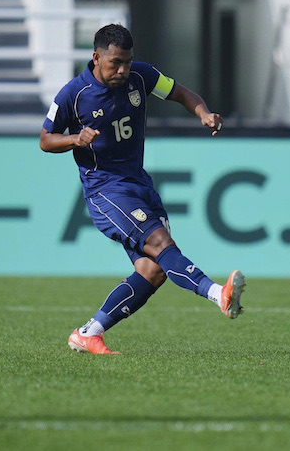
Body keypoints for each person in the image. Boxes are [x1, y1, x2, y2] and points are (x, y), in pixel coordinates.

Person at [39, 24, 245, 355]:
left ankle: (88, 333)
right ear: (96, 57)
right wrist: (75, 138)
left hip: (138, 182)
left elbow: (180, 93)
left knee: (152, 270)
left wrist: (204, 113)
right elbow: (45, 140)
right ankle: (218, 294)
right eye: (115, 63)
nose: (123, 70)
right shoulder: (73, 94)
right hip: (106, 190)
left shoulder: (142, 76)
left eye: (128, 62)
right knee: (162, 244)